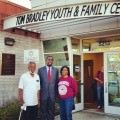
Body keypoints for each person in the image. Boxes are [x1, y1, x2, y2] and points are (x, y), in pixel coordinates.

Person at [38, 56, 59, 120]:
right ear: (46, 60)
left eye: (51, 60)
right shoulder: (40, 70)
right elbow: (38, 83)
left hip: (52, 95)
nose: (50, 61)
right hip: (43, 95)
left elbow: (56, 83)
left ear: (53, 61)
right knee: (43, 111)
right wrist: (39, 95)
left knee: (51, 111)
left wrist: (56, 95)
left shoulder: (56, 70)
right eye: (49, 59)